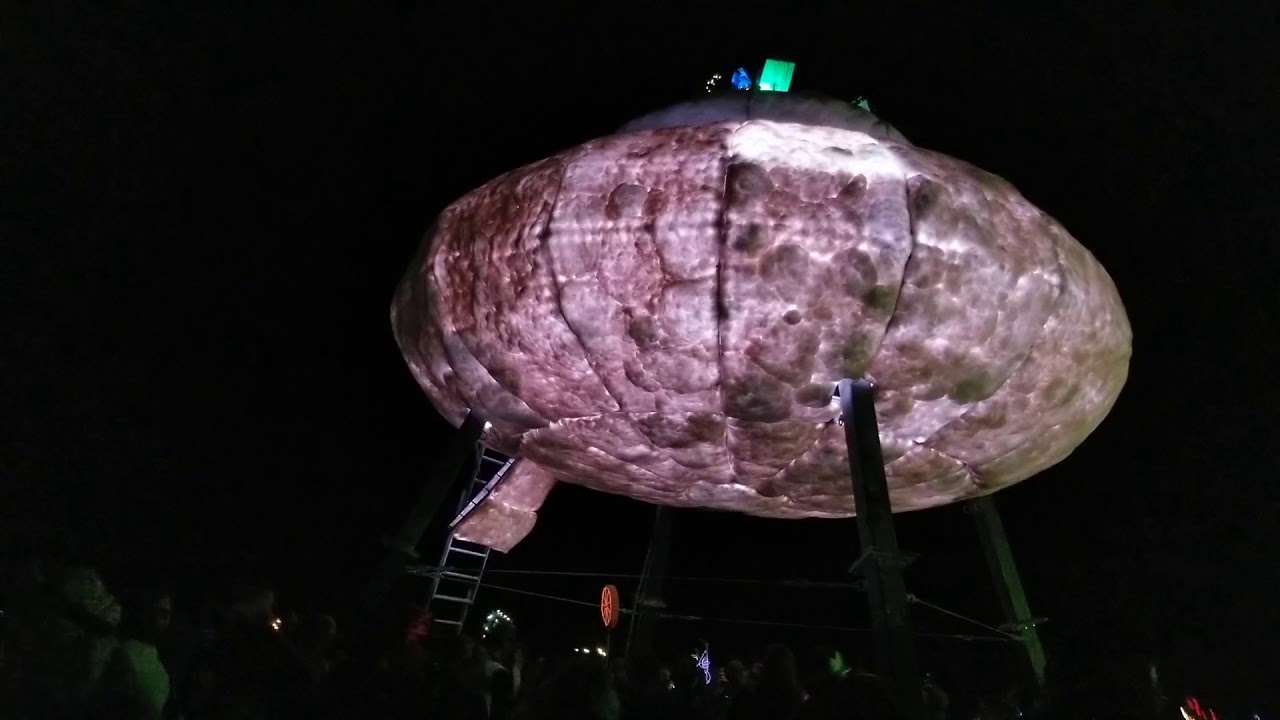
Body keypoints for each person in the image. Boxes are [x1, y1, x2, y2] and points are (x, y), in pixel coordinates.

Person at [93, 589, 175, 719]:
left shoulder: (164, 666)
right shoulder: (117, 650)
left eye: (164, 614)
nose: (156, 619)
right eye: (152, 611)